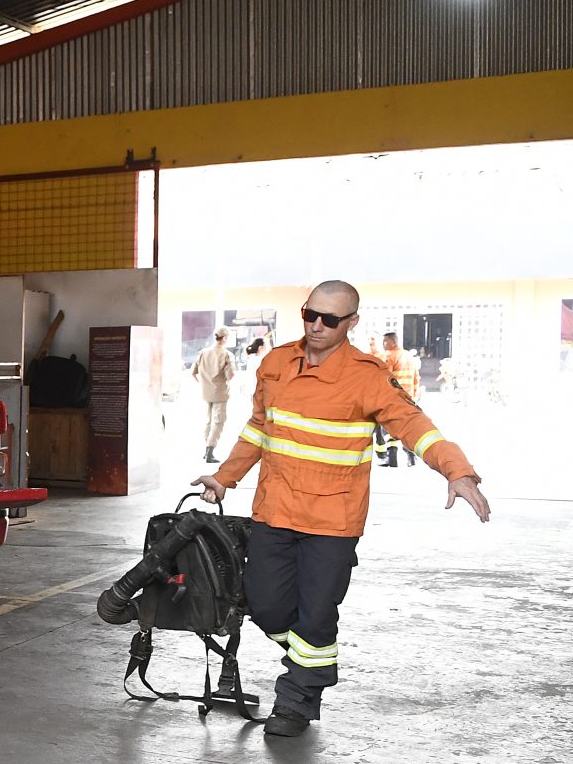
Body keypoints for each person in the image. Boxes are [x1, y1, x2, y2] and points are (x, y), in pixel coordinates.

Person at [194, 281, 490, 737]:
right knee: (267, 606)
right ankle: (307, 664)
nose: (316, 325)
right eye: (309, 314)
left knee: (316, 614)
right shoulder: (275, 364)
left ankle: (296, 700)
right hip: (273, 512)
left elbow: (415, 427)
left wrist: (457, 470)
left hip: (333, 522)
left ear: (351, 323)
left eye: (329, 319)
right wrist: (224, 476)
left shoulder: (367, 376)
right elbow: (258, 429)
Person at [191, 328, 236, 462]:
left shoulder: (202, 353)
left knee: (208, 421)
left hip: (206, 392)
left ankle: (207, 449)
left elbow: (193, 372)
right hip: (220, 393)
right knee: (218, 421)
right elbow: (230, 375)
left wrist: (204, 383)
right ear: (225, 338)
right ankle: (210, 450)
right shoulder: (226, 355)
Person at [377, 333, 421, 467]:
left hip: (394, 398)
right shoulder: (409, 356)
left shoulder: (390, 356)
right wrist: (414, 396)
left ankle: (392, 459)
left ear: (392, 342)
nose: (383, 345)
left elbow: (385, 378)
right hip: (409, 398)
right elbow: (416, 378)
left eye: (385, 342)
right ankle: (411, 457)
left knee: (389, 429)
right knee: (406, 429)